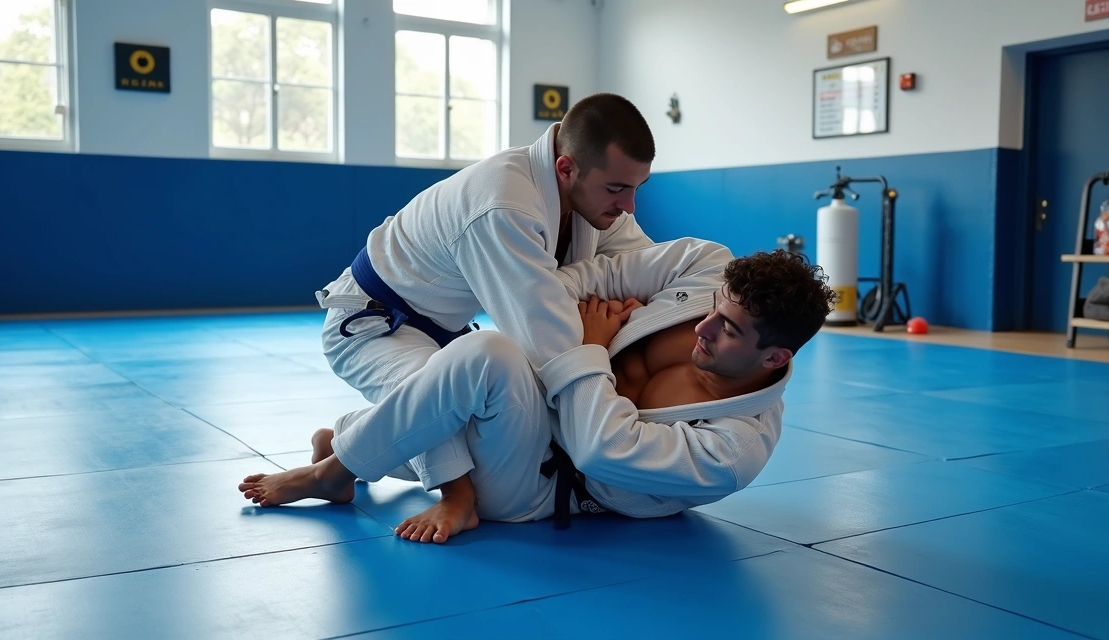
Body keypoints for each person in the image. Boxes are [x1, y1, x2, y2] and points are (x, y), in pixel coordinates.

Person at [240, 239, 837, 543]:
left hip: (548, 486)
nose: (705, 327)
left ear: (775, 357)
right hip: (540, 410)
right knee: (488, 352)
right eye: (714, 309)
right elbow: (596, 275)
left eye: (728, 330)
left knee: (477, 354)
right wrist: (567, 315)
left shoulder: (734, 449)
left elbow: (602, 450)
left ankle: (341, 460)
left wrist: (590, 349)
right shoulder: (706, 266)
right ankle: (350, 451)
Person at [312, 93, 655, 533]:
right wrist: (598, 342)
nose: (629, 206)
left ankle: (343, 444)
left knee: (484, 439)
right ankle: (456, 498)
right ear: (566, 168)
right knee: (433, 402)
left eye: (636, 188)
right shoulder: (504, 203)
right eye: (617, 189)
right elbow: (552, 343)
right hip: (373, 325)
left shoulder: (594, 198)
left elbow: (644, 267)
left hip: (441, 331)